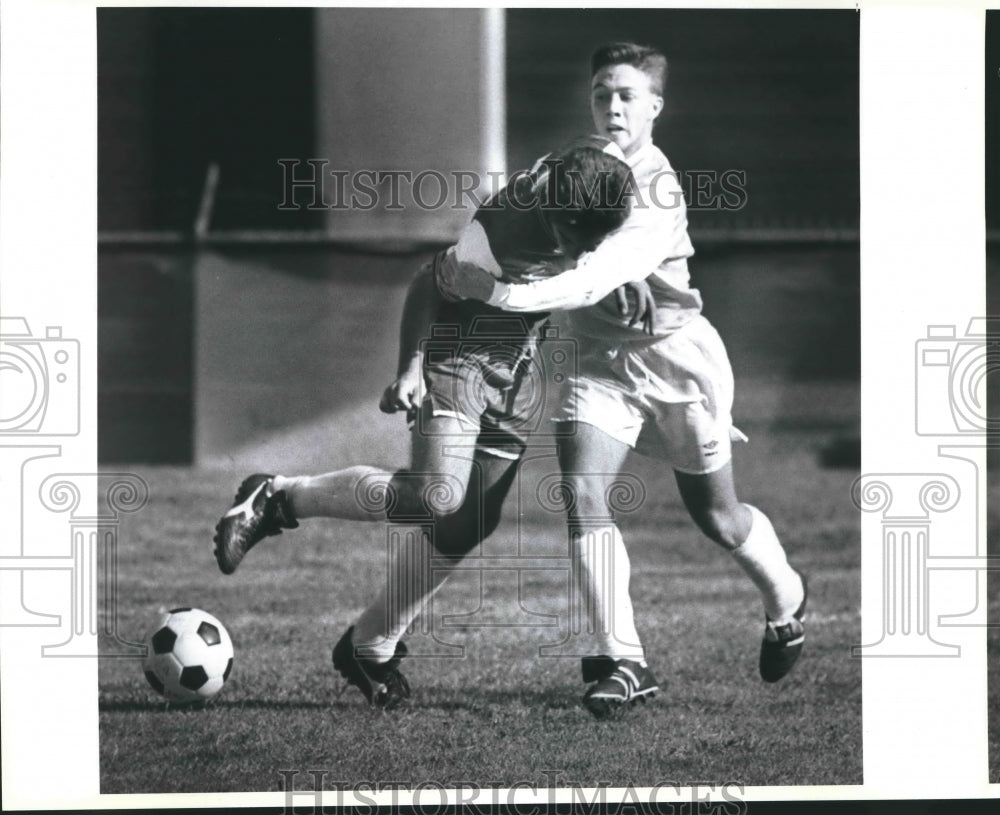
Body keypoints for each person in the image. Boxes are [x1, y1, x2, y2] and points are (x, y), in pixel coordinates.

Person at [438, 42, 808, 720]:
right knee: (582, 493)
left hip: (675, 358)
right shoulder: (572, 165)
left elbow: (585, 278)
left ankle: (786, 600)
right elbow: (522, 219)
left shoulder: (657, 190)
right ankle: (624, 659)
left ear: (655, 108)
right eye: (603, 92)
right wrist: (477, 249)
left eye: (628, 95)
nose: (612, 105)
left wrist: (493, 293)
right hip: (596, 360)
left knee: (718, 516)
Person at [212, 137, 645, 710]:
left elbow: (580, 246)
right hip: (459, 356)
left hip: (517, 369)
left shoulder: (576, 186)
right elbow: (426, 281)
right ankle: (282, 497)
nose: (581, 253)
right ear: (553, 215)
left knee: (468, 524)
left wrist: (614, 272)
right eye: (577, 242)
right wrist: (411, 367)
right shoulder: (497, 239)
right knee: (437, 497)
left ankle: (370, 646)